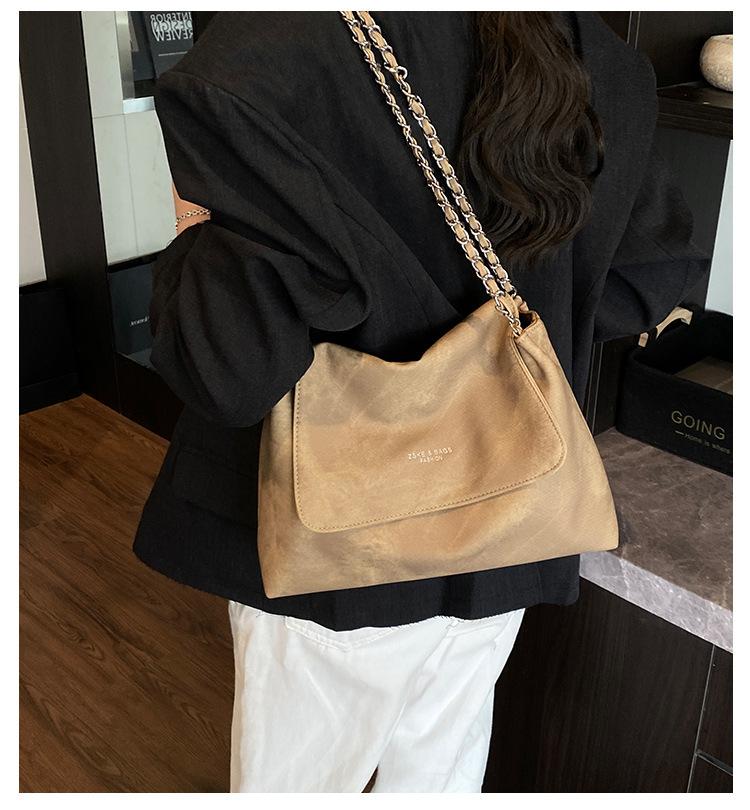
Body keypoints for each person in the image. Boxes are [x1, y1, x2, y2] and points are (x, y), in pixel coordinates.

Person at [132, 11, 711, 792]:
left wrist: (192, 235)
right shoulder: (588, 45)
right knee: (440, 782)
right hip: (509, 522)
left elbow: (230, 370)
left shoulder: (263, 55)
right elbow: (644, 280)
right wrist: (501, 346)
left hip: (335, 550)